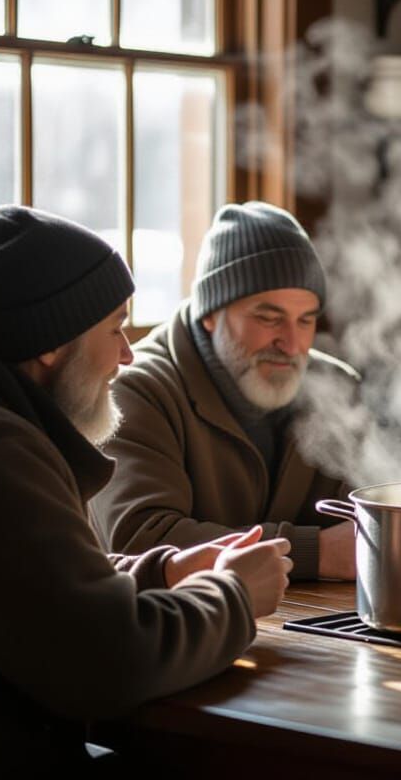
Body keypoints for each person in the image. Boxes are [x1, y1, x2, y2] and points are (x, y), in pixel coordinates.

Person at [0, 206, 292, 773]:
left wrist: (165, 571)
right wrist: (234, 598)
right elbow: (106, 666)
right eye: (114, 329)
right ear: (51, 343)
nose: (127, 355)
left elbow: (28, 588)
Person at [89, 202, 357, 580]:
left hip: (317, 626)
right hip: (183, 631)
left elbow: (381, 507)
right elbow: (140, 538)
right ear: (210, 313)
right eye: (268, 318)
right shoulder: (137, 391)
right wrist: (319, 553)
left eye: (306, 320)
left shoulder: (338, 389)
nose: (293, 343)